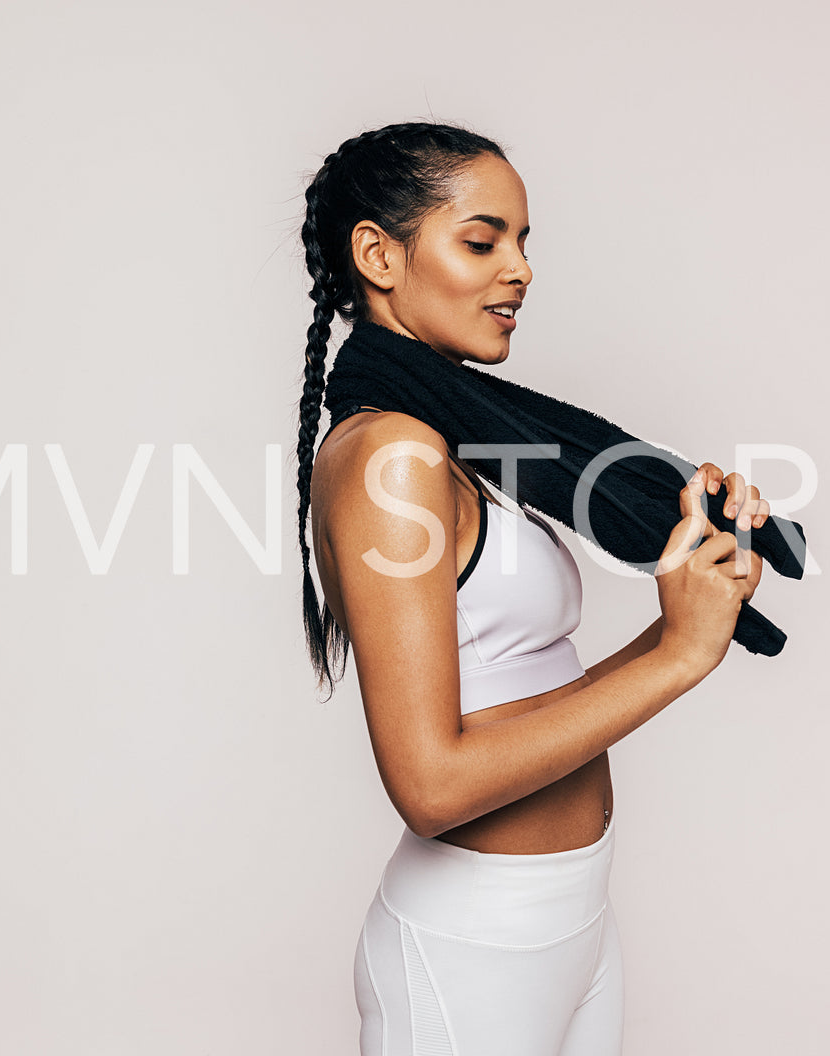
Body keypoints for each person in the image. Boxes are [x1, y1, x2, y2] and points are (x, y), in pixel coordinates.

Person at [294, 122, 771, 1056]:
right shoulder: (392, 455)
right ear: (377, 255)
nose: (517, 269)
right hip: (474, 945)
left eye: (522, 243)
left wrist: (689, 608)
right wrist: (674, 656)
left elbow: (521, 693)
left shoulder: (456, 442)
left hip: (571, 916)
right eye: (481, 240)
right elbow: (431, 783)